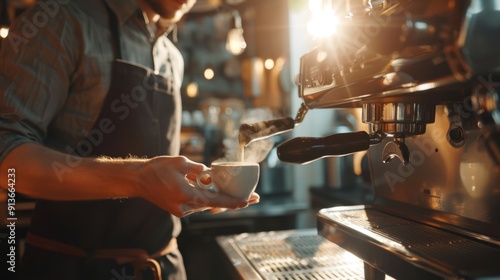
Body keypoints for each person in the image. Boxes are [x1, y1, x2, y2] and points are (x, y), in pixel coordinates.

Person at [0, 0, 259, 279]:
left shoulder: (171, 56)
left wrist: (195, 188)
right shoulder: (61, 21)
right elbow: (7, 156)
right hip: (75, 267)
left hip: (163, 267)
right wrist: (138, 177)